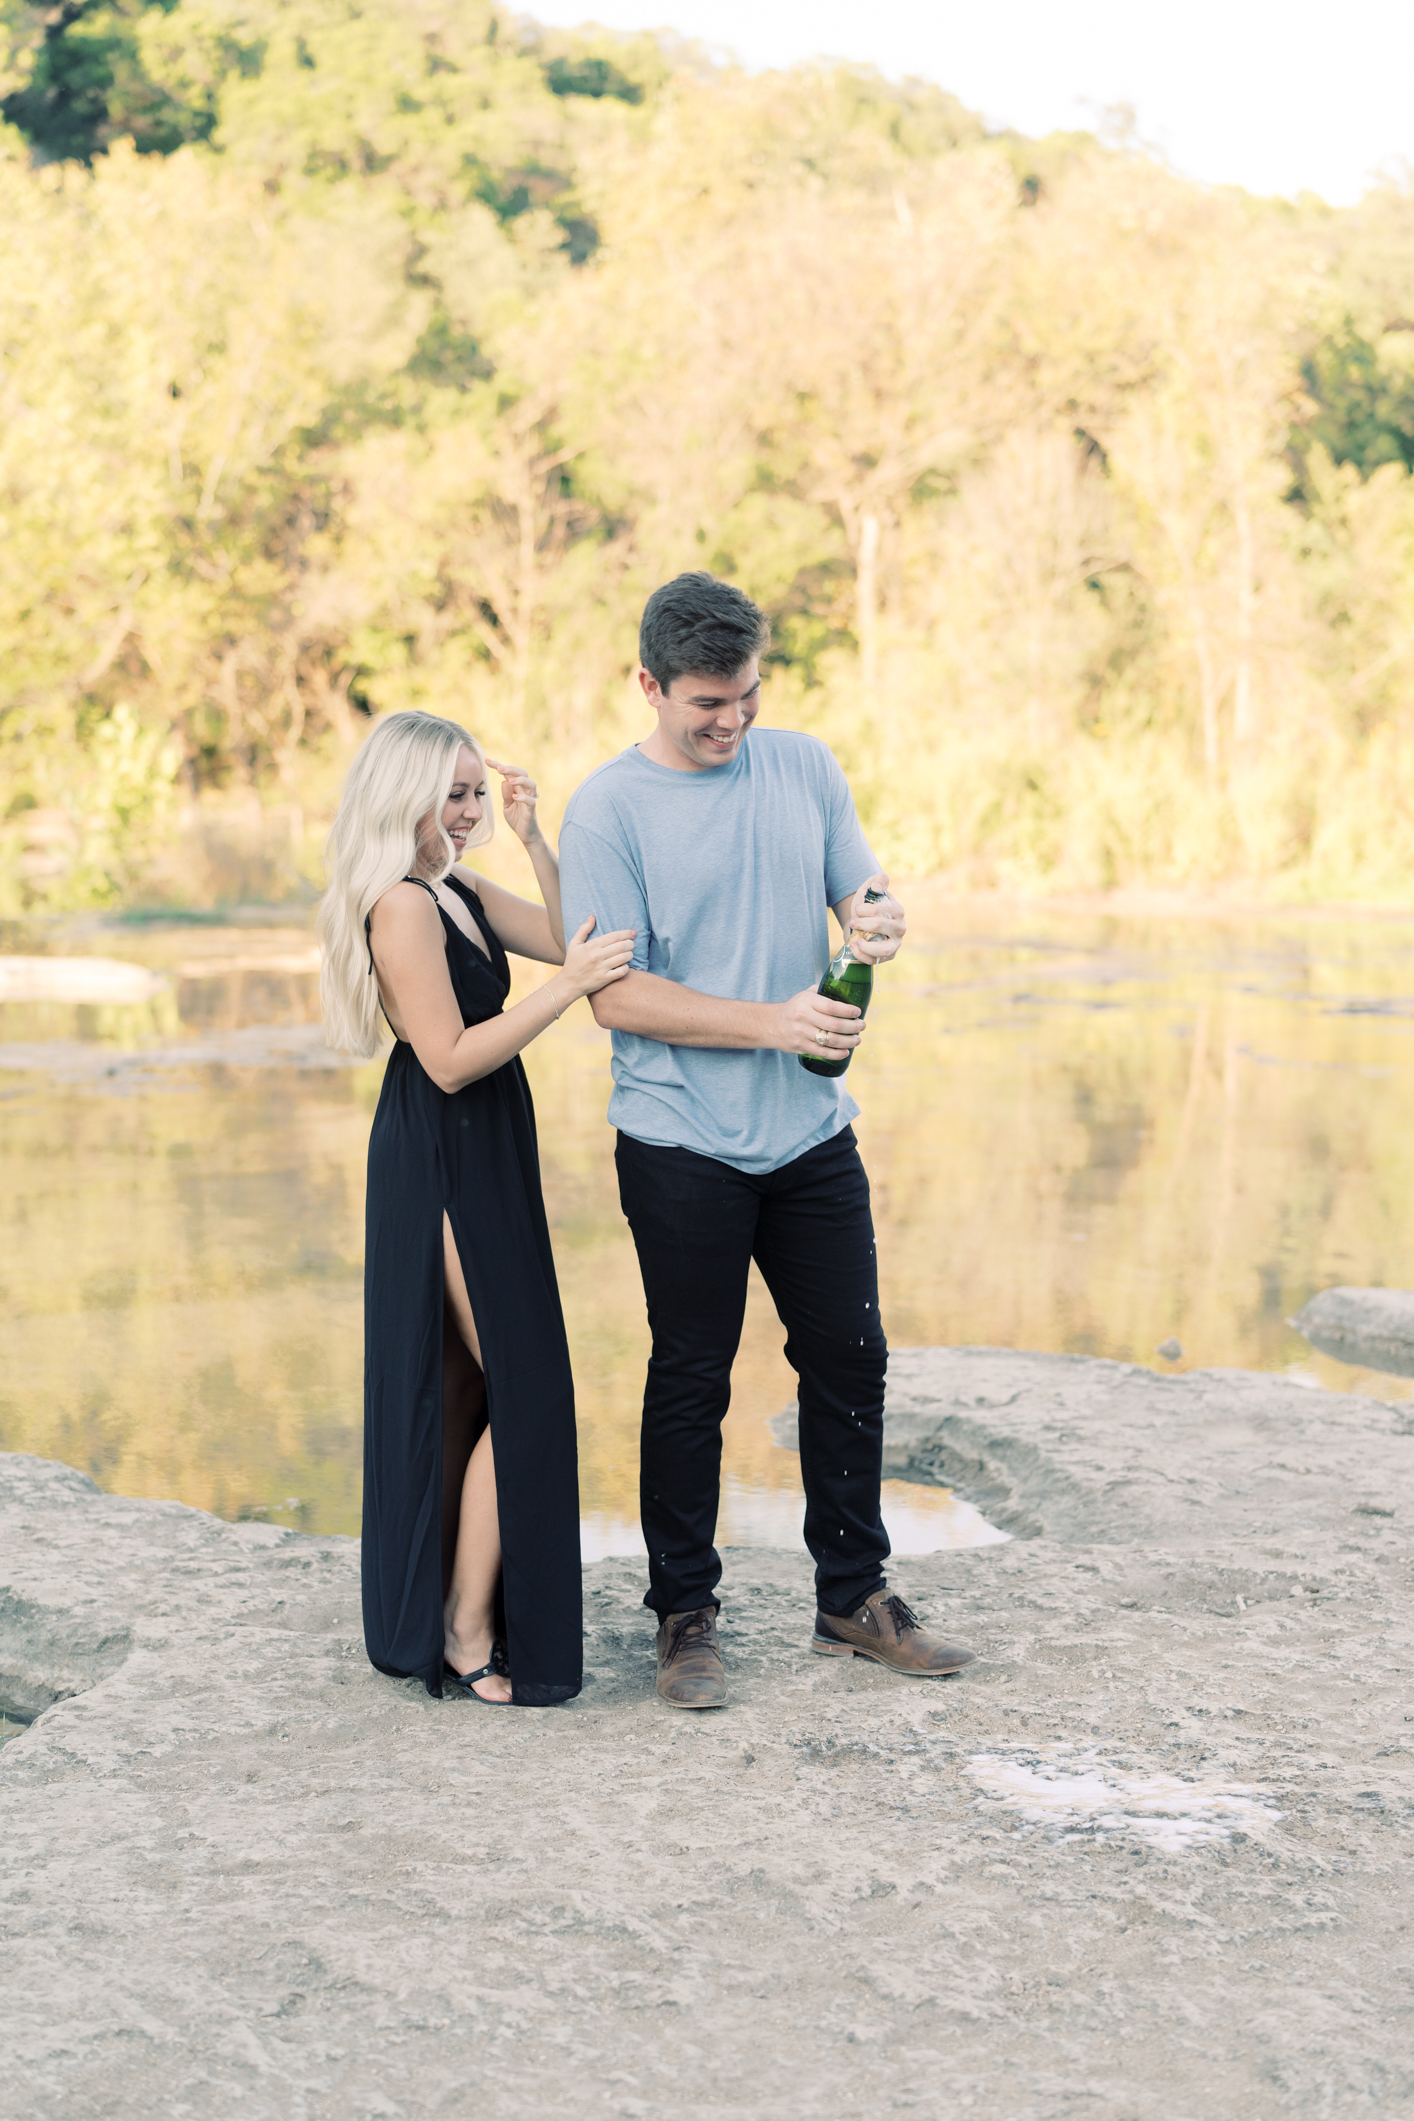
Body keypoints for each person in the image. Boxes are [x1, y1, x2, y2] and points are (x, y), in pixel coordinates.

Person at [558, 573, 976, 1709]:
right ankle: (684, 1618)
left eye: (745, 695)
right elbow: (615, 999)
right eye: (705, 702)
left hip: (809, 1136)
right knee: (691, 1378)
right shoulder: (606, 812)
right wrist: (771, 1024)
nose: (731, 721)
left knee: (850, 1358)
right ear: (649, 685)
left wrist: (876, 915)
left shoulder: (804, 765)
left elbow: (861, 884)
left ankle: (853, 1596)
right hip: (679, 1141)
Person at [320, 711, 635, 1705]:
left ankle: (468, 1614)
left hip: (490, 1148)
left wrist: (535, 839)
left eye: (471, 791)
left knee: (481, 1387)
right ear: (402, 793)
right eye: (450, 792)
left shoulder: (453, 888)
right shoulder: (401, 907)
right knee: (522, 1387)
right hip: (444, 1154)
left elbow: (561, 935)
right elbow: (450, 1061)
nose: (465, 810)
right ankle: (462, 1628)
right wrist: (565, 994)